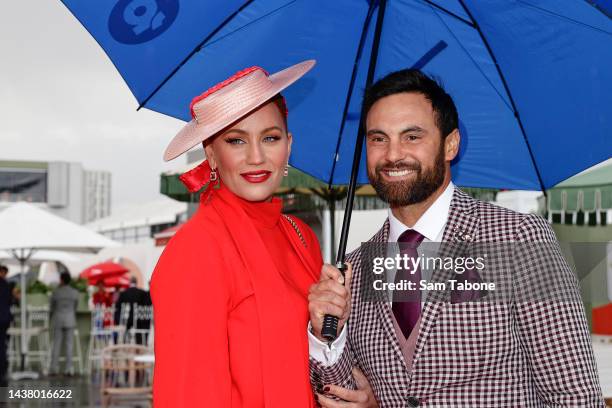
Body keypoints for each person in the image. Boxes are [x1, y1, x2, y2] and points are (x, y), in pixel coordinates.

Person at [308, 69, 604, 407]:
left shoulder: (518, 238)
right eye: (378, 138)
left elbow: (574, 395)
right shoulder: (356, 268)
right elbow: (342, 395)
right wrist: (326, 335)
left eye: (412, 136)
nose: (392, 154)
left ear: (451, 144)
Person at [151, 60, 322, 407]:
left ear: (288, 145)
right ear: (211, 154)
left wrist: (329, 331)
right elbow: (187, 393)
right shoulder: (196, 249)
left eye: (270, 138)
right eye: (236, 141)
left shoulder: (302, 237)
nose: (256, 157)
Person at [49, 272, 79, 376]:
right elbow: (76, 306)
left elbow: (52, 306)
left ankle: (53, 368)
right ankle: (68, 369)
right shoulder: (75, 292)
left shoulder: (56, 292)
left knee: (56, 344)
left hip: (58, 319)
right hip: (70, 319)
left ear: (61, 279)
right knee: (69, 345)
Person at [0, 265, 11, 386]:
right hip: (4, 319)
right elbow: (10, 300)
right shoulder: (6, 285)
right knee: (2, 345)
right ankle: (2, 370)